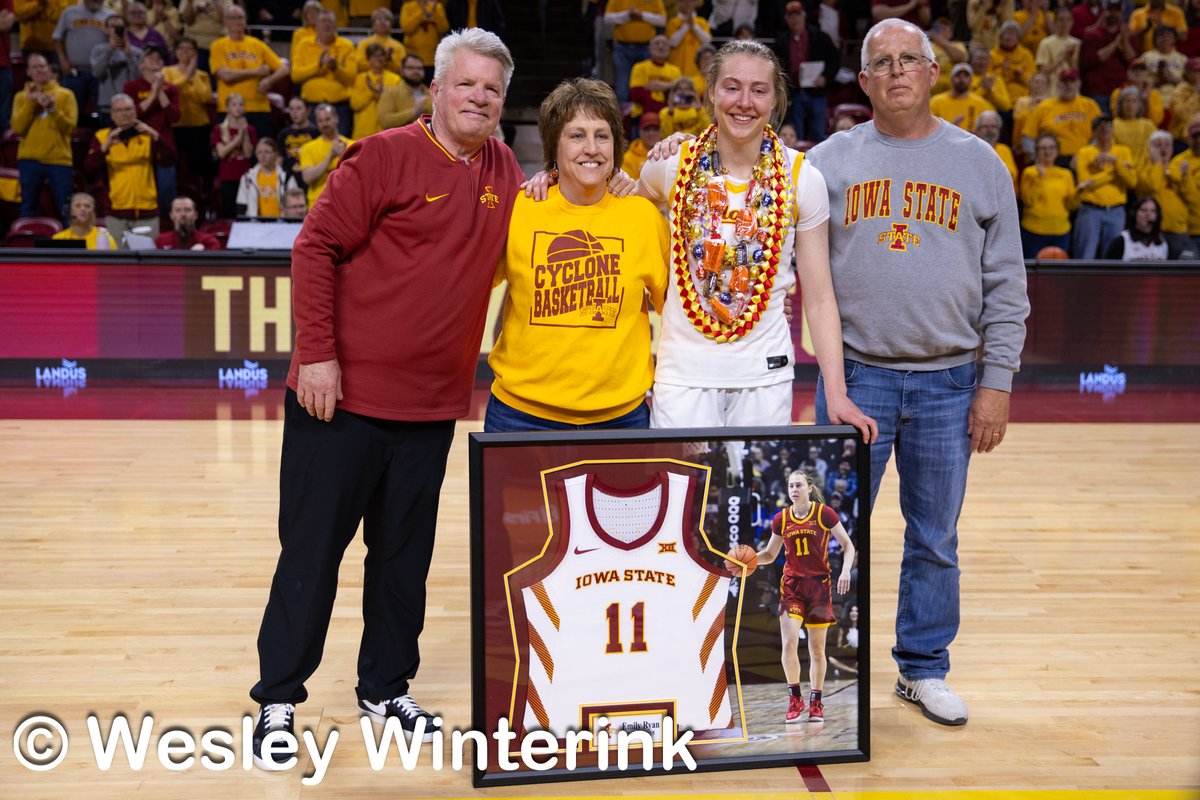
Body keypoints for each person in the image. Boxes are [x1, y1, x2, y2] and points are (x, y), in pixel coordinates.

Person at [248, 28, 523, 768]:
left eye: (492, 89)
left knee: (403, 559)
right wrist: (318, 355)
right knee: (311, 552)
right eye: (465, 85)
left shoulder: (506, 170)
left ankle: (384, 688)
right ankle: (278, 697)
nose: (479, 98)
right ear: (434, 90)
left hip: (432, 409)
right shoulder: (385, 155)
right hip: (341, 398)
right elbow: (314, 249)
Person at [805, 18, 1030, 727]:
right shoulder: (828, 161)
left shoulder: (981, 164)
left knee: (934, 536)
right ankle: (821, 676)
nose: (897, 70)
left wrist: (996, 385)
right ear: (864, 80)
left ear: (933, 72)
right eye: (882, 62)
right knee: (825, 532)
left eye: (910, 59)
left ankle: (922, 670)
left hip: (949, 381)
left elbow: (1008, 287)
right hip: (856, 379)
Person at [637, 40, 875, 436]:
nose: (744, 102)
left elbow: (819, 296)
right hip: (683, 373)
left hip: (765, 373)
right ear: (711, 91)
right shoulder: (671, 164)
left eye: (759, 90)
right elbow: (619, 213)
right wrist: (554, 176)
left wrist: (836, 393)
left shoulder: (803, 177)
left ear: (775, 97)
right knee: (691, 497)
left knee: (756, 497)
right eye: (731, 87)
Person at [485, 78, 669, 432]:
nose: (592, 148)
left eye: (602, 135)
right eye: (577, 135)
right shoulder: (520, 209)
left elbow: (681, 309)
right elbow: (470, 287)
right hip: (520, 416)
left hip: (620, 417)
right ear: (554, 145)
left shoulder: (643, 217)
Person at [755, 469, 855, 724]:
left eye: (799, 485)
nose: (794, 490)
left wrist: (845, 571)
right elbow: (768, 554)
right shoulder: (782, 518)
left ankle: (816, 701)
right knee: (788, 644)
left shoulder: (824, 513)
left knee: (817, 650)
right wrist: (746, 562)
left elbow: (848, 545)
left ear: (809, 487)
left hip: (819, 587)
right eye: (791, 486)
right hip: (792, 587)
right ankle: (794, 698)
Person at [85, 91, 174, 244]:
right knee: (118, 264)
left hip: (148, 212)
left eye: (128, 109)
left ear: (135, 111)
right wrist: (105, 147)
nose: (124, 114)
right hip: (116, 213)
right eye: (119, 110)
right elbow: (89, 168)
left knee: (149, 262)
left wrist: (156, 136)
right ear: (112, 114)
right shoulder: (102, 136)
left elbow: (170, 159)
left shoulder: (147, 135)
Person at [12, 53, 78, 222]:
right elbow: (18, 128)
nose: (39, 70)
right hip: (29, 160)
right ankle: (24, 246)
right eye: (34, 67)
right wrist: (30, 103)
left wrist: (52, 109)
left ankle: (72, 247)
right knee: (27, 208)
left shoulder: (66, 95)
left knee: (66, 210)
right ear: (28, 71)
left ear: (49, 68)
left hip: (59, 161)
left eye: (42, 66)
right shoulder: (20, 97)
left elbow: (69, 128)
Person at [209, 3, 288, 141]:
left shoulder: (257, 44)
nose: (238, 21)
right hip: (229, 110)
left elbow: (284, 69)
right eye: (233, 18)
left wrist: (269, 80)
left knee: (262, 153)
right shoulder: (218, 46)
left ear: (246, 21)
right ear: (225, 21)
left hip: (259, 108)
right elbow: (226, 76)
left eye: (240, 17)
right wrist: (257, 72)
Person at [123, 46, 179, 221]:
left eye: (159, 57)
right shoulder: (131, 87)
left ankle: (167, 231)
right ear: (141, 65)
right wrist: (153, 93)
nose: (156, 59)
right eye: (150, 57)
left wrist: (160, 90)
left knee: (165, 194)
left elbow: (174, 117)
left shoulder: (172, 89)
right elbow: (130, 116)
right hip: (138, 149)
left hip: (163, 147)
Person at [773, 0, 839, 143]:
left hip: (817, 93)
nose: (794, 19)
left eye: (797, 15)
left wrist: (825, 78)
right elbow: (776, 68)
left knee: (818, 134)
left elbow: (835, 60)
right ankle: (796, 164)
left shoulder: (820, 37)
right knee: (795, 134)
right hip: (794, 94)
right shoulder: (781, 41)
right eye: (791, 16)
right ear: (786, 19)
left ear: (804, 16)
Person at [1073, 114, 1136, 259]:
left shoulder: (1123, 151)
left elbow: (1131, 182)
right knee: (1085, 256)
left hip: (1116, 211)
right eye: (1100, 126)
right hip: (1090, 210)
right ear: (1093, 131)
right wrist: (1117, 168)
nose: (1105, 128)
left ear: (1113, 128)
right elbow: (1085, 184)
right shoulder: (1085, 152)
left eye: (1108, 125)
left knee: (1113, 258)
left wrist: (1113, 160)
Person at [291, 8, 356, 137]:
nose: (327, 24)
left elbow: (351, 78)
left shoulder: (347, 46)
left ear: (336, 25)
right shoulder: (304, 44)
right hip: (311, 107)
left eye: (330, 21)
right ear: (316, 25)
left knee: (341, 147)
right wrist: (318, 67)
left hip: (339, 108)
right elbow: (295, 76)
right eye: (323, 21)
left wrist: (335, 68)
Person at [1021, 69, 1100, 166]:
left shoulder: (1090, 105)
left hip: (1085, 160)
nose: (1068, 85)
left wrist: (1087, 154)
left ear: (1079, 84)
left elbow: (1100, 135)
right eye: (1064, 81)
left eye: (1072, 81)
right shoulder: (1043, 107)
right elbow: (1027, 138)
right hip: (1052, 161)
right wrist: (1039, 158)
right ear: (1057, 84)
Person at [162, 36, 211, 191]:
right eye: (181, 48)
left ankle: (202, 194)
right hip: (176, 125)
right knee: (174, 162)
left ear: (195, 53)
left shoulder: (202, 75)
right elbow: (170, 91)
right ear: (175, 52)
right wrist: (186, 77)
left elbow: (205, 97)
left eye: (189, 49)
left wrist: (193, 75)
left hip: (198, 125)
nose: (185, 52)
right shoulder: (167, 72)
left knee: (199, 163)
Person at [53, 0, 115, 117]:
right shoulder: (69, 12)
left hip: (101, 74)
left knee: (105, 115)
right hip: (75, 72)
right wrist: (63, 61)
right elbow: (57, 38)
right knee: (69, 114)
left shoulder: (111, 16)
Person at [1019, 133, 1077, 258]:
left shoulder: (1066, 174)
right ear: (1037, 151)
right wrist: (1039, 177)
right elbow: (1028, 201)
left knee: (1057, 274)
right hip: (1033, 231)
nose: (1047, 151)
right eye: (1043, 148)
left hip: (1061, 231)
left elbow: (1071, 205)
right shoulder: (1029, 172)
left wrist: (1080, 193)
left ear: (1057, 150)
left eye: (1051, 147)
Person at [1138, 130, 1192, 256]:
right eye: (1158, 145)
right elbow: (1153, 186)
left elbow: (1190, 197)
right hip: (1153, 231)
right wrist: (1157, 164)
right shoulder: (1142, 169)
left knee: (1182, 273)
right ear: (1149, 148)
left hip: (1179, 230)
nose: (1163, 148)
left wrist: (1185, 177)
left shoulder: (1177, 168)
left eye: (1167, 144)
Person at [604, 0, 666, 107]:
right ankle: (621, 121)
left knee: (645, 89)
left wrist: (641, 15)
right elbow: (608, 18)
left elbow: (662, 20)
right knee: (622, 90)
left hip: (646, 48)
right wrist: (628, 15)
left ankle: (643, 121)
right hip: (622, 48)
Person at [211, 91, 257, 217]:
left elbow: (248, 154)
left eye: (241, 104)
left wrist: (245, 133)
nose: (238, 108)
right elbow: (222, 153)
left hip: (245, 177)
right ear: (227, 108)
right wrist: (239, 137)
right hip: (228, 177)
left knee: (245, 211)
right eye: (234, 105)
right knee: (229, 211)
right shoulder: (219, 129)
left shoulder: (250, 129)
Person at [92, 14, 143, 124]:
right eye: (112, 26)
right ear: (106, 29)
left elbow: (139, 77)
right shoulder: (98, 50)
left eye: (120, 27)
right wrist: (109, 51)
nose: (116, 30)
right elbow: (96, 73)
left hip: (130, 106)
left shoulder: (136, 52)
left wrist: (129, 54)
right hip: (107, 106)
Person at [298, 103, 353, 206]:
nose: (324, 124)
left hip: (346, 202)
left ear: (336, 118)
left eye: (327, 119)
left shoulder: (352, 145)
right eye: (320, 120)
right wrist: (331, 156)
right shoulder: (308, 148)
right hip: (318, 204)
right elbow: (307, 178)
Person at [236, 137, 298, 217]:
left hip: (281, 224)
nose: (263, 156)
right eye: (259, 152)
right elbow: (241, 203)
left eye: (267, 152)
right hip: (256, 224)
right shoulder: (247, 178)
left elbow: (295, 203)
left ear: (275, 154)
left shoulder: (286, 177)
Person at [350, 42, 399, 139]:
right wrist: (372, 91)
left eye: (381, 55)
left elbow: (397, 104)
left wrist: (382, 93)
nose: (379, 59)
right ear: (368, 59)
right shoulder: (360, 78)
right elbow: (355, 105)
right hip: (363, 131)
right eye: (374, 56)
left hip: (386, 131)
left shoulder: (395, 79)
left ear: (385, 58)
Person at [930, 62, 996, 131]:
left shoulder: (980, 103)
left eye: (966, 76)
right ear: (951, 79)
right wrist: (949, 130)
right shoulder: (936, 102)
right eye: (958, 76)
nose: (962, 79)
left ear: (971, 80)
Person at [1103, 196, 1171, 260]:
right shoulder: (1121, 241)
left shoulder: (1163, 242)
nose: (1148, 214)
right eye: (1144, 210)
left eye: (1153, 211)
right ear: (1134, 214)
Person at [399, 0, 449, 84]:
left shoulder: (437, 7)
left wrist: (434, 12)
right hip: (413, 58)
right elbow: (407, 28)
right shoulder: (408, 7)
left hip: (432, 60)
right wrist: (423, 11)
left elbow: (443, 28)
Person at [377, 53, 432, 129]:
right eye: (410, 68)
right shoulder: (390, 93)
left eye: (419, 68)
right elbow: (385, 121)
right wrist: (413, 112)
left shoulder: (432, 95)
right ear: (402, 71)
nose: (415, 71)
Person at [277, 96, 318, 190]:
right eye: (291, 109)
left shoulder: (316, 132)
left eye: (299, 108)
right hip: (289, 179)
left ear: (308, 111)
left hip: (311, 179)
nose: (294, 112)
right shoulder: (283, 134)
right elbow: (280, 158)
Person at [52, 191, 117, 249]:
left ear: (93, 212)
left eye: (87, 206)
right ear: (70, 211)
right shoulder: (59, 239)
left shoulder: (105, 238)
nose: (83, 209)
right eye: (78, 206)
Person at [665, 0, 711, 80]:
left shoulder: (702, 21)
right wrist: (686, 25)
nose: (687, 3)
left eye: (691, 1)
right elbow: (673, 43)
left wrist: (694, 26)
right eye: (683, 1)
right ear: (678, 3)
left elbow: (707, 41)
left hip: (696, 70)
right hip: (676, 68)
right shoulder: (672, 22)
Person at [155, 195, 220, 248]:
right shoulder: (160, 241)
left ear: (196, 215)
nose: (183, 214)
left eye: (187, 210)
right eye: (178, 210)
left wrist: (203, 254)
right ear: (171, 215)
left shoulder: (209, 241)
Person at [355, 6, 405, 75]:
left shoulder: (398, 46)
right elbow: (359, 66)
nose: (383, 21)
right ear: (373, 25)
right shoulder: (364, 43)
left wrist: (389, 60)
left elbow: (401, 70)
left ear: (391, 25)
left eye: (386, 19)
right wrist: (381, 60)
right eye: (379, 19)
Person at [974, 110, 1017, 189]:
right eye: (985, 127)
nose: (990, 130)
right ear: (977, 130)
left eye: (993, 127)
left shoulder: (1004, 150)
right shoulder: (972, 149)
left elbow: (1011, 175)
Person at [621, 110, 660, 179]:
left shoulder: (669, 154)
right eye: (647, 130)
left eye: (655, 129)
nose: (651, 134)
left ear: (661, 131)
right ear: (640, 132)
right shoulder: (628, 158)